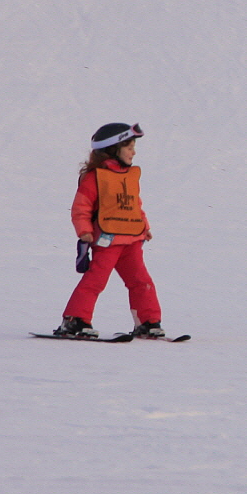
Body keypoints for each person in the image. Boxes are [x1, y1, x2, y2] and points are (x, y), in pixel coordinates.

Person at [55, 121, 167, 339]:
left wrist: (145, 226)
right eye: (129, 147)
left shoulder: (129, 176)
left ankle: (148, 322)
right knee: (95, 281)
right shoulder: (95, 177)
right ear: (112, 149)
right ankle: (75, 320)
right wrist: (84, 231)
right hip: (108, 240)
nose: (134, 152)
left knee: (141, 281)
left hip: (132, 240)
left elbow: (134, 205)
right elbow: (81, 207)